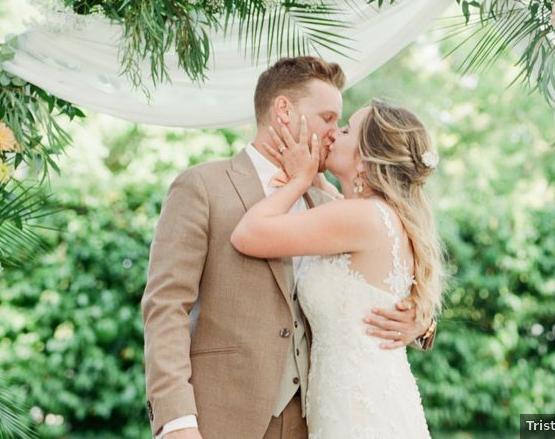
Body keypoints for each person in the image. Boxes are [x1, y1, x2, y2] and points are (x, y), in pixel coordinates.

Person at [142, 57, 435, 439]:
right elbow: (165, 308)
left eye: (341, 126)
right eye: (328, 118)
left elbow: (379, 283)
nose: (333, 133)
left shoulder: (332, 205)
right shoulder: (203, 186)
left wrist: (422, 322)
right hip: (221, 418)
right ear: (283, 110)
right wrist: (176, 421)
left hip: (313, 423)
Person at [231, 98, 444, 438]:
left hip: (358, 410)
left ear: (365, 158)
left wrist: (298, 180)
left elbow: (247, 234)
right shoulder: (377, 214)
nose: (332, 134)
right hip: (360, 399)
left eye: (345, 130)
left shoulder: (361, 217)